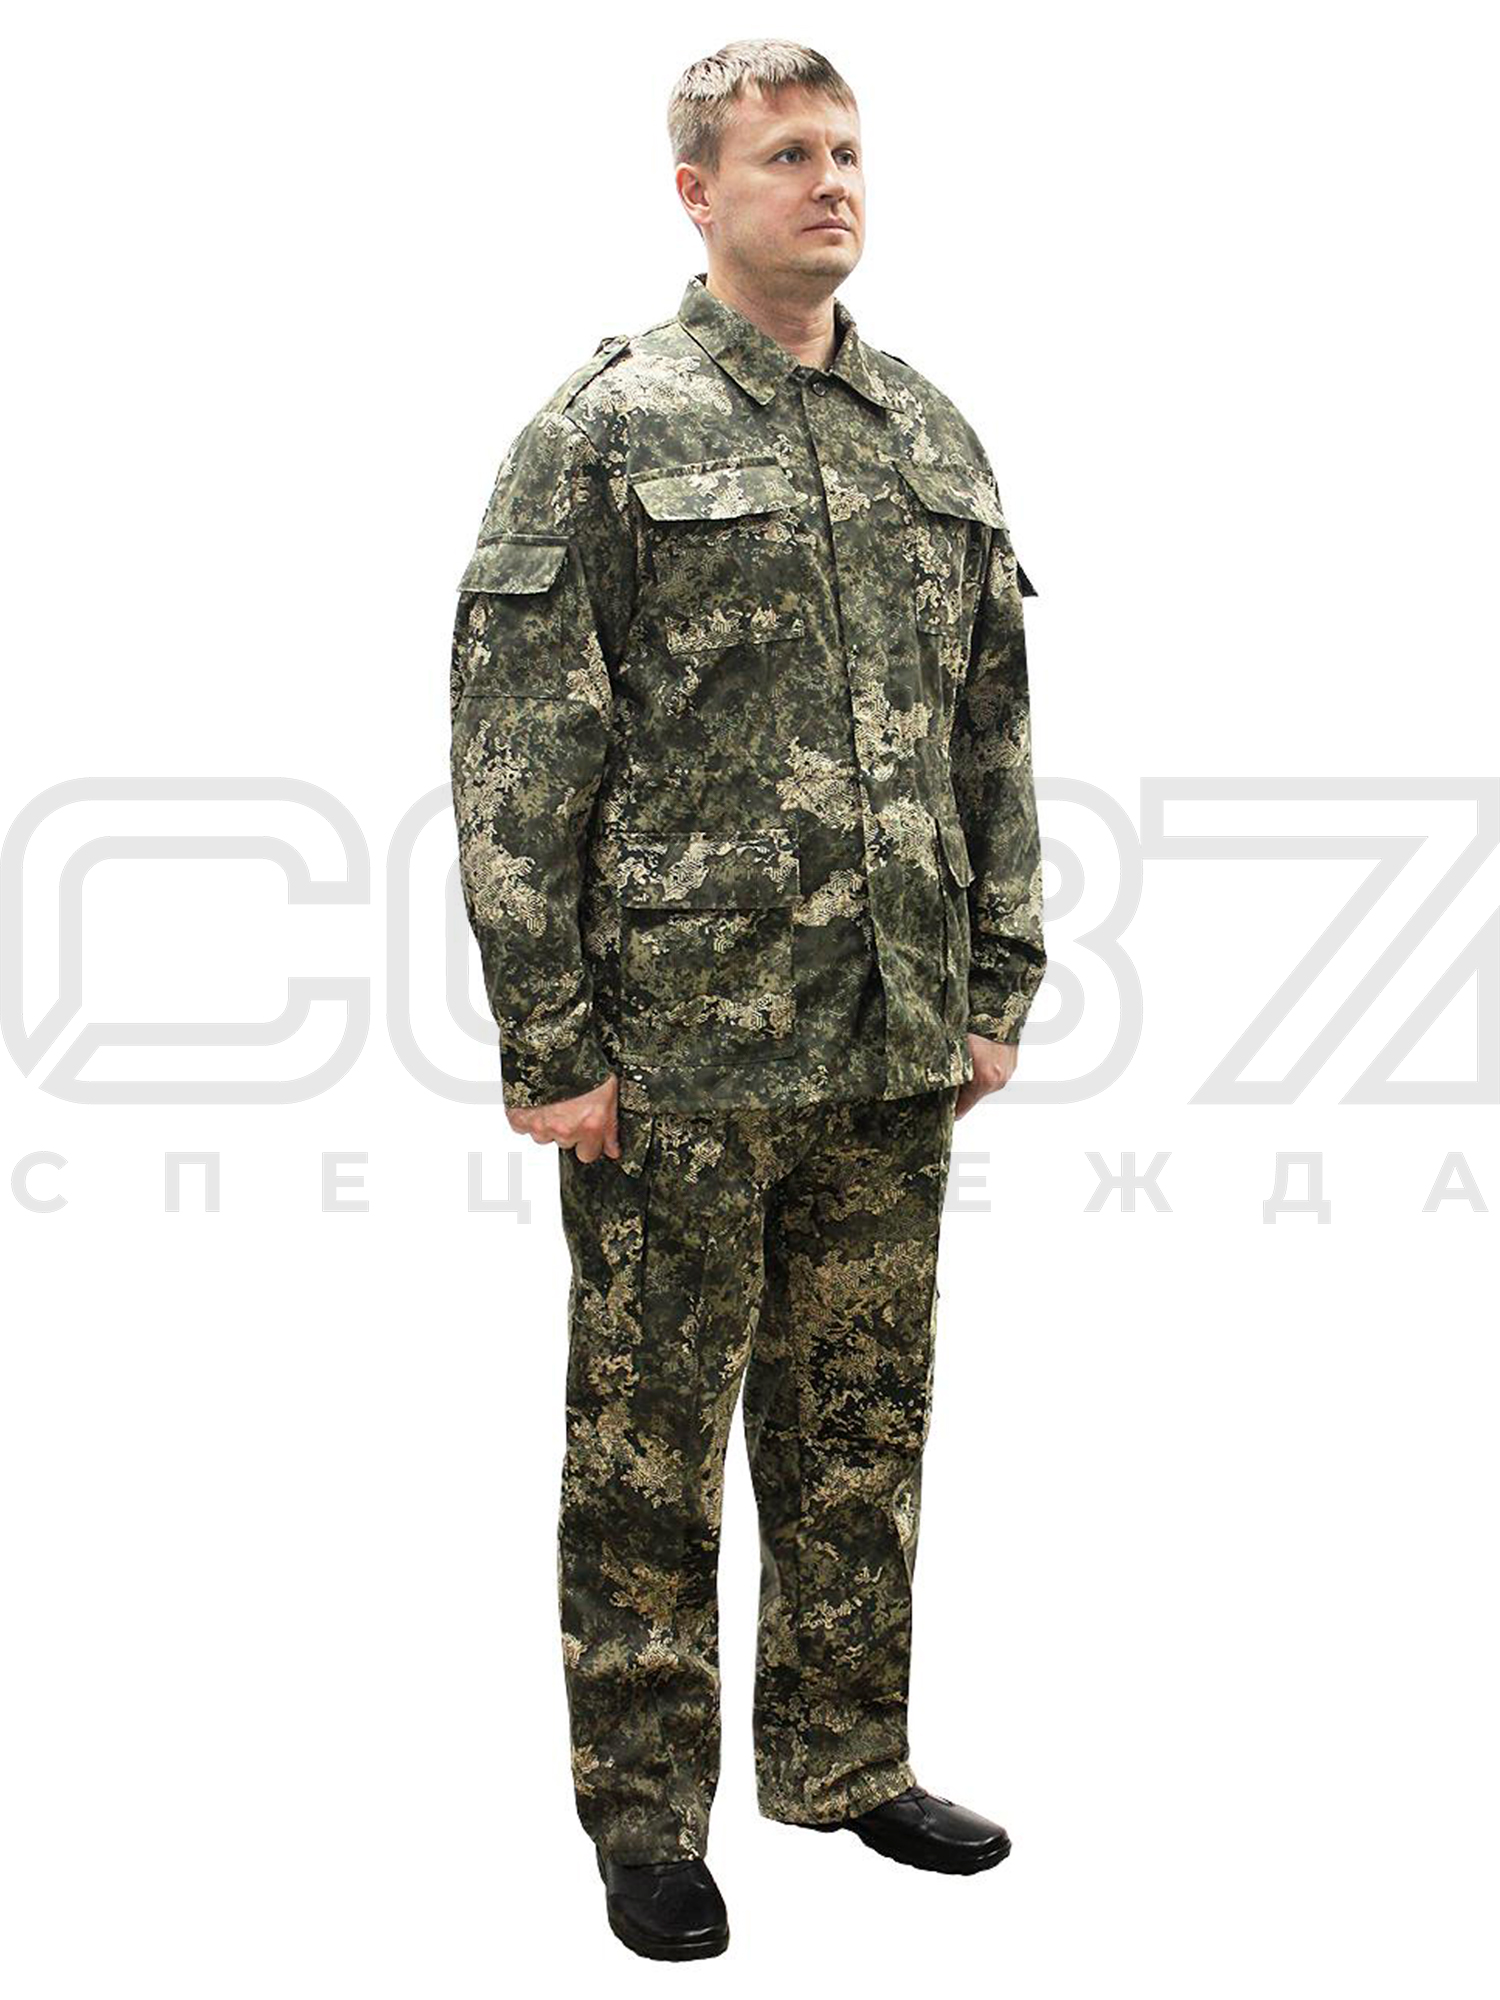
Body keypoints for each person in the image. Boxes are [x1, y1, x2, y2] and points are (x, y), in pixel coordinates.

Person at [449, 37, 1047, 1963]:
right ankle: (645, 1818)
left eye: (846, 148)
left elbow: (991, 731)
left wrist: (996, 980)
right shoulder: (606, 430)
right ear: (697, 192)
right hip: (679, 1053)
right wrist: (551, 1043)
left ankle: (846, 1761)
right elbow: (520, 751)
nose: (831, 180)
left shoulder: (925, 432)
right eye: (786, 153)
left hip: (888, 1038)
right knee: (647, 1450)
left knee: (859, 1423)